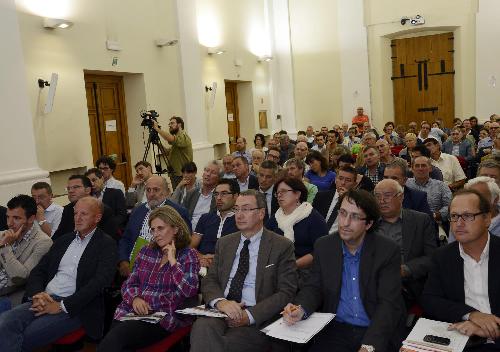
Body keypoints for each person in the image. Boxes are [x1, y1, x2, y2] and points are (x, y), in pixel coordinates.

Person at [282, 190, 406, 352]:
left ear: (368, 224)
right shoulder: (324, 246)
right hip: (336, 329)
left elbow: (388, 305)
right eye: (342, 213)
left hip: (375, 329)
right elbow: (314, 287)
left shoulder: (387, 251)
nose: (345, 222)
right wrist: (301, 309)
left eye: (354, 217)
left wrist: (370, 346)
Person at [0, 197, 117, 351]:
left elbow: (100, 282)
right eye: (75, 214)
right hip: (45, 298)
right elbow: (39, 271)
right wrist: (37, 294)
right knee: (4, 322)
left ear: (97, 218)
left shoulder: (106, 244)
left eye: (84, 214)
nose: (78, 218)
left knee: (26, 335)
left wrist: (62, 306)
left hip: (75, 306)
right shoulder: (64, 240)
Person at [190, 190, 298, 352]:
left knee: (226, 345)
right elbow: (210, 279)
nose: (239, 215)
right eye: (236, 209)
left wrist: (250, 316)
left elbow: (286, 291)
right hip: (222, 311)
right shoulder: (224, 243)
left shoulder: (281, 246)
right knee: (202, 327)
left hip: (256, 317)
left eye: (246, 209)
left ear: (261, 213)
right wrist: (221, 302)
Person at [98, 206, 199, 352]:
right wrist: (135, 299)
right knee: (113, 342)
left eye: (160, 228)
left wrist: (172, 261)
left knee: (114, 341)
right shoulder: (146, 251)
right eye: (153, 229)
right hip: (132, 310)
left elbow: (189, 291)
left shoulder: (188, 255)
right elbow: (129, 284)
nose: (156, 234)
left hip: (161, 316)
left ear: (176, 229)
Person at [421, 190, 500, 350]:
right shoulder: (442, 256)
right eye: (454, 216)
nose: (459, 223)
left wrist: (492, 328)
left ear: (487, 219)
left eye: (468, 216)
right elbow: (430, 299)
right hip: (463, 340)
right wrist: (472, 315)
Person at [374, 179, 437, 306]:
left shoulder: (420, 220)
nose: (382, 201)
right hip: (373, 284)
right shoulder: (368, 223)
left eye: (387, 195)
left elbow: (431, 257)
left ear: (401, 197)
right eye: (377, 196)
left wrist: (404, 270)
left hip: (408, 285)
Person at [118, 175, 191, 277]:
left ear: (166, 192)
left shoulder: (178, 212)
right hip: (132, 264)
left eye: (156, 190)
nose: (151, 194)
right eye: (148, 190)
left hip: (161, 266)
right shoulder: (138, 211)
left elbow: (184, 242)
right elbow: (126, 239)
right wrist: (123, 260)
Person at [266, 177, 327, 284]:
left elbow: (320, 251)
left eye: (284, 191)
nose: (279, 195)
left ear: (298, 194)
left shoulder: (313, 218)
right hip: (276, 264)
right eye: (277, 192)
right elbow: (264, 240)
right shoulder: (276, 217)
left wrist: (293, 264)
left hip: (304, 270)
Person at [0, 195, 52, 296]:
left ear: (31, 218)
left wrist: (5, 247)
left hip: (10, 294)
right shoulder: (3, 235)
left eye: (16, 218)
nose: (9, 223)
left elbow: (20, 278)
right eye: (7, 217)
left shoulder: (43, 242)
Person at [53, 175, 118, 241]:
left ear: (88, 190)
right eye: (68, 188)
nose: (70, 191)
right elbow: (59, 234)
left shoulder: (102, 210)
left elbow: (108, 239)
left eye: (76, 187)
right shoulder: (68, 209)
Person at [191, 179, 240, 267]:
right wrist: (201, 257)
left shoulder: (241, 220)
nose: (219, 198)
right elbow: (191, 246)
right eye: (216, 194)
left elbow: (241, 252)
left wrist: (214, 258)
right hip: (202, 265)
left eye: (224, 193)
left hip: (229, 266)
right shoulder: (205, 218)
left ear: (236, 196)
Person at [407, 156, 452, 235]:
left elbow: (450, 205)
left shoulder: (441, 186)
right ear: (412, 169)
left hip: (434, 224)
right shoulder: (405, 184)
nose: (420, 168)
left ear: (430, 168)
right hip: (408, 224)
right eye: (417, 166)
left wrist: (436, 215)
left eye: (423, 165)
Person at [313, 166, 359, 235]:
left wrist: (346, 198)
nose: (343, 183)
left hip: (339, 239)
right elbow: (313, 219)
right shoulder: (321, 196)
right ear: (335, 180)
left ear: (354, 185)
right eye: (340, 178)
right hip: (317, 235)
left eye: (348, 180)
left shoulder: (356, 203)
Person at [174, 161, 220, 230]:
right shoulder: (191, 193)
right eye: (207, 171)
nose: (208, 174)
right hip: (188, 231)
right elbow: (181, 214)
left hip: (208, 233)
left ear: (219, 178)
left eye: (213, 173)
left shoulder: (219, 196)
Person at [153, 116, 194, 190]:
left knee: (182, 197)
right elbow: (166, 152)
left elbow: (171, 138)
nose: (170, 125)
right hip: (175, 174)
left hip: (182, 175)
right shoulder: (177, 141)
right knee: (177, 195)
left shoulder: (183, 136)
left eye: (172, 123)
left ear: (179, 125)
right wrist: (158, 143)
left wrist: (157, 129)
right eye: (169, 124)